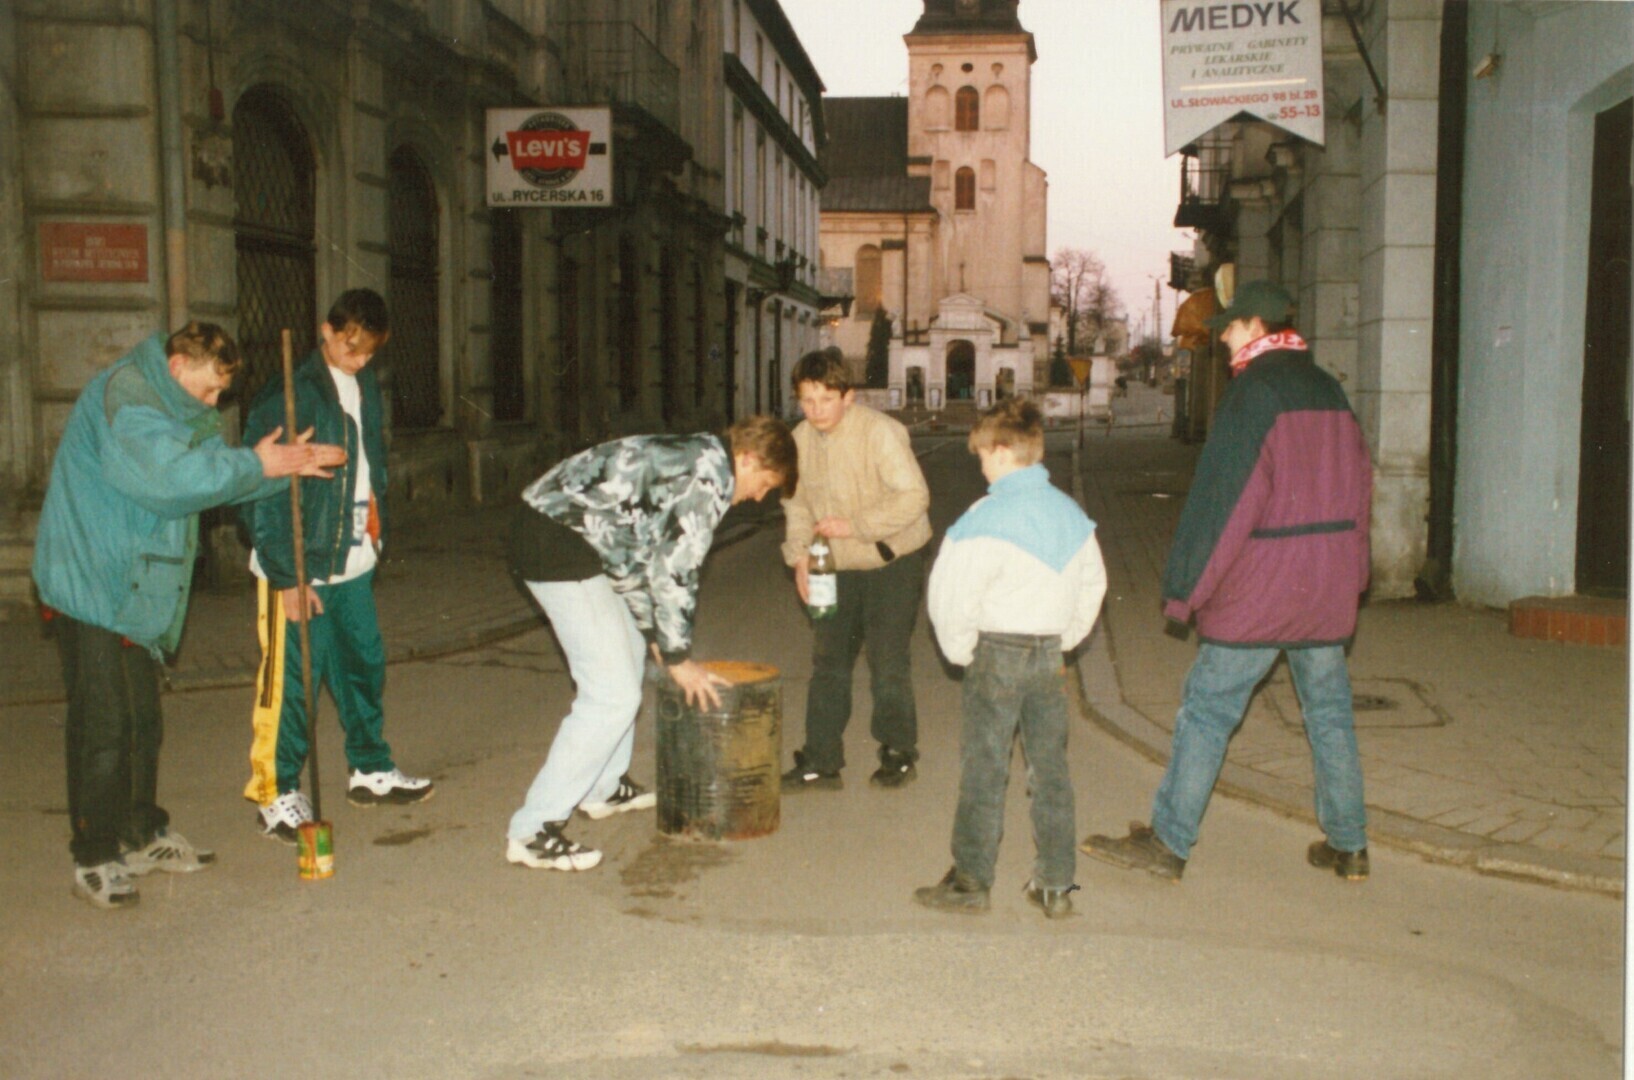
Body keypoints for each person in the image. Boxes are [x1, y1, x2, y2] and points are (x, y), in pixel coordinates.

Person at [33, 322, 345, 908]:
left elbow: (213, 477)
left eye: (220, 393)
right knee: (104, 724)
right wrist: (259, 466)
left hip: (131, 583)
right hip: (90, 580)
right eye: (208, 389)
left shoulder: (174, 403)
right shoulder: (129, 397)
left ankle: (141, 833)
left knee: (141, 719)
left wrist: (282, 468)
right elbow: (170, 480)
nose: (214, 402)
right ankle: (94, 856)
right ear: (177, 366)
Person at [1082, 280, 1375, 884]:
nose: (1223, 339)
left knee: (1208, 709)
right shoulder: (1329, 388)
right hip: (1323, 585)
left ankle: (1169, 841)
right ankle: (1349, 844)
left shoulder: (1253, 396)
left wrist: (1186, 585)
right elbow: (1361, 492)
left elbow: (1224, 504)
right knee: (1328, 711)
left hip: (1265, 588)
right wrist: (1354, 573)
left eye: (1231, 328)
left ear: (1256, 327)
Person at [505, 416, 798, 871]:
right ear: (747, 459)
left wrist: (657, 637)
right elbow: (674, 572)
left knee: (634, 655)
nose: (760, 497)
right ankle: (532, 830)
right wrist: (678, 657)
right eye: (765, 483)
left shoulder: (703, 456)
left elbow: (641, 556)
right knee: (611, 695)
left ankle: (602, 788)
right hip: (557, 542)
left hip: (579, 537)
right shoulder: (707, 480)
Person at [241, 288, 433, 844]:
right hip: (301, 565)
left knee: (362, 665)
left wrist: (377, 530)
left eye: (370, 351)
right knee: (293, 685)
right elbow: (263, 489)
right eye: (352, 348)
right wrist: (287, 577)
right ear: (326, 331)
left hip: (353, 557)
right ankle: (276, 793)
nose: (361, 360)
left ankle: (370, 768)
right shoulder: (290, 393)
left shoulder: (364, 384)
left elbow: (370, 460)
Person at [914, 398, 1108, 919]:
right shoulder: (1070, 515)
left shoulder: (984, 517)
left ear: (1000, 453)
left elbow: (951, 594)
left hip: (996, 652)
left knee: (985, 767)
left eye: (982, 456)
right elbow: (1093, 584)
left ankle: (971, 882)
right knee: (1050, 771)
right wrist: (1065, 638)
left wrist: (960, 650)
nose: (981, 467)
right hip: (1047, 654)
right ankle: (1056, 885)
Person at [780, 348, 932, 791]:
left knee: (887, 663)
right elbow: (796, 506)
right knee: (828, 662)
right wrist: (799, 559)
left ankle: (898, 751)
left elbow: (914, 496)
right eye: (807, 401)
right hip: (833, 568)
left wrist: (856, 526)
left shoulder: (880, 433)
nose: (816, 411)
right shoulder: (798, 441)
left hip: (891, 562)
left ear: (848, 396)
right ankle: (821, 760)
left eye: (826, 399)